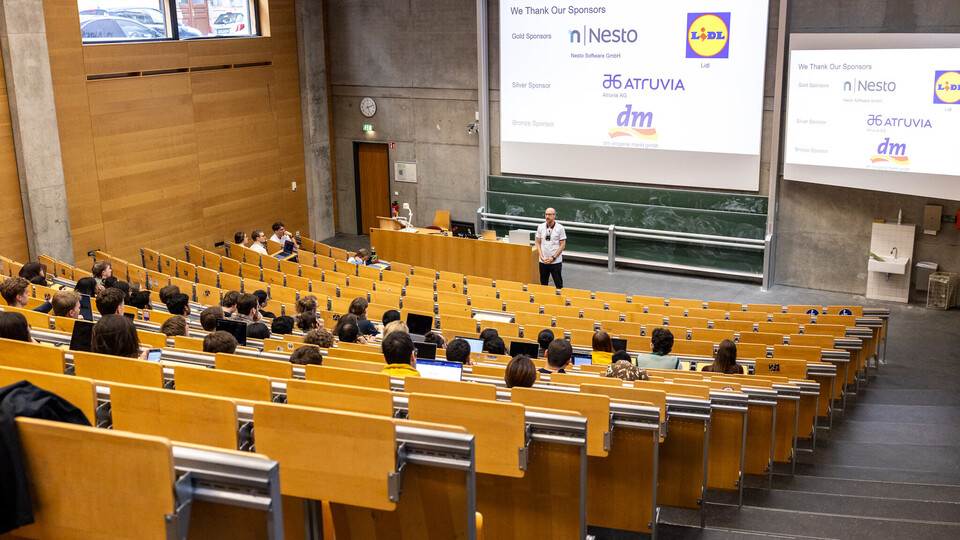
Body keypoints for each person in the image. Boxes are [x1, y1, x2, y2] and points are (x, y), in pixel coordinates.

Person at [535, 207, 566, 289]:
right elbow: (538, 242)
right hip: (543, 261)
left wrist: (553, 258)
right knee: (543, 283)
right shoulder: (540, 227)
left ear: (554, 215)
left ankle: (560, 299)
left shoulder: (560, 228)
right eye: (546, 214)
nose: (547, 216)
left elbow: (562, 245)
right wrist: (541, 257)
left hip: (555, 261)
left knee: (558, 283)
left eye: (549, 214)